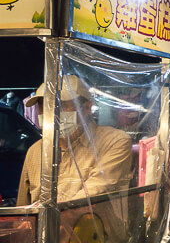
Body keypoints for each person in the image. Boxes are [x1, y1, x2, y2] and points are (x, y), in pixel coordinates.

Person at [16, 75, 134, 205]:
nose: (52, 114)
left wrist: (47, 212)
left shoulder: (114, 141)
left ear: (87, 108)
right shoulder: (35, 151)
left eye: (61, 106)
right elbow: (23, 209)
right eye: (44, 107)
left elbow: (96, 191)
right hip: (41, 224)